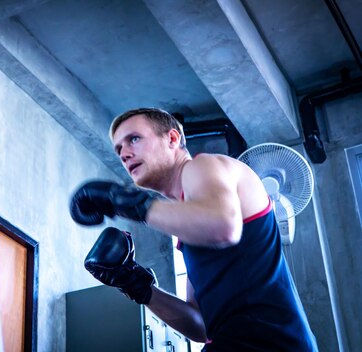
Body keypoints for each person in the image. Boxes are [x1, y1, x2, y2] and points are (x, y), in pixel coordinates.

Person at [70, 108, 318, 351]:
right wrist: (135, 283)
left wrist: (123, 201)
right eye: (118, 149)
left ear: (172, 138)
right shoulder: (191, 226)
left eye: (133, 139)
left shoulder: (203, 166)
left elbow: (223, 227)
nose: (124, 153)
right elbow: (200, 326)